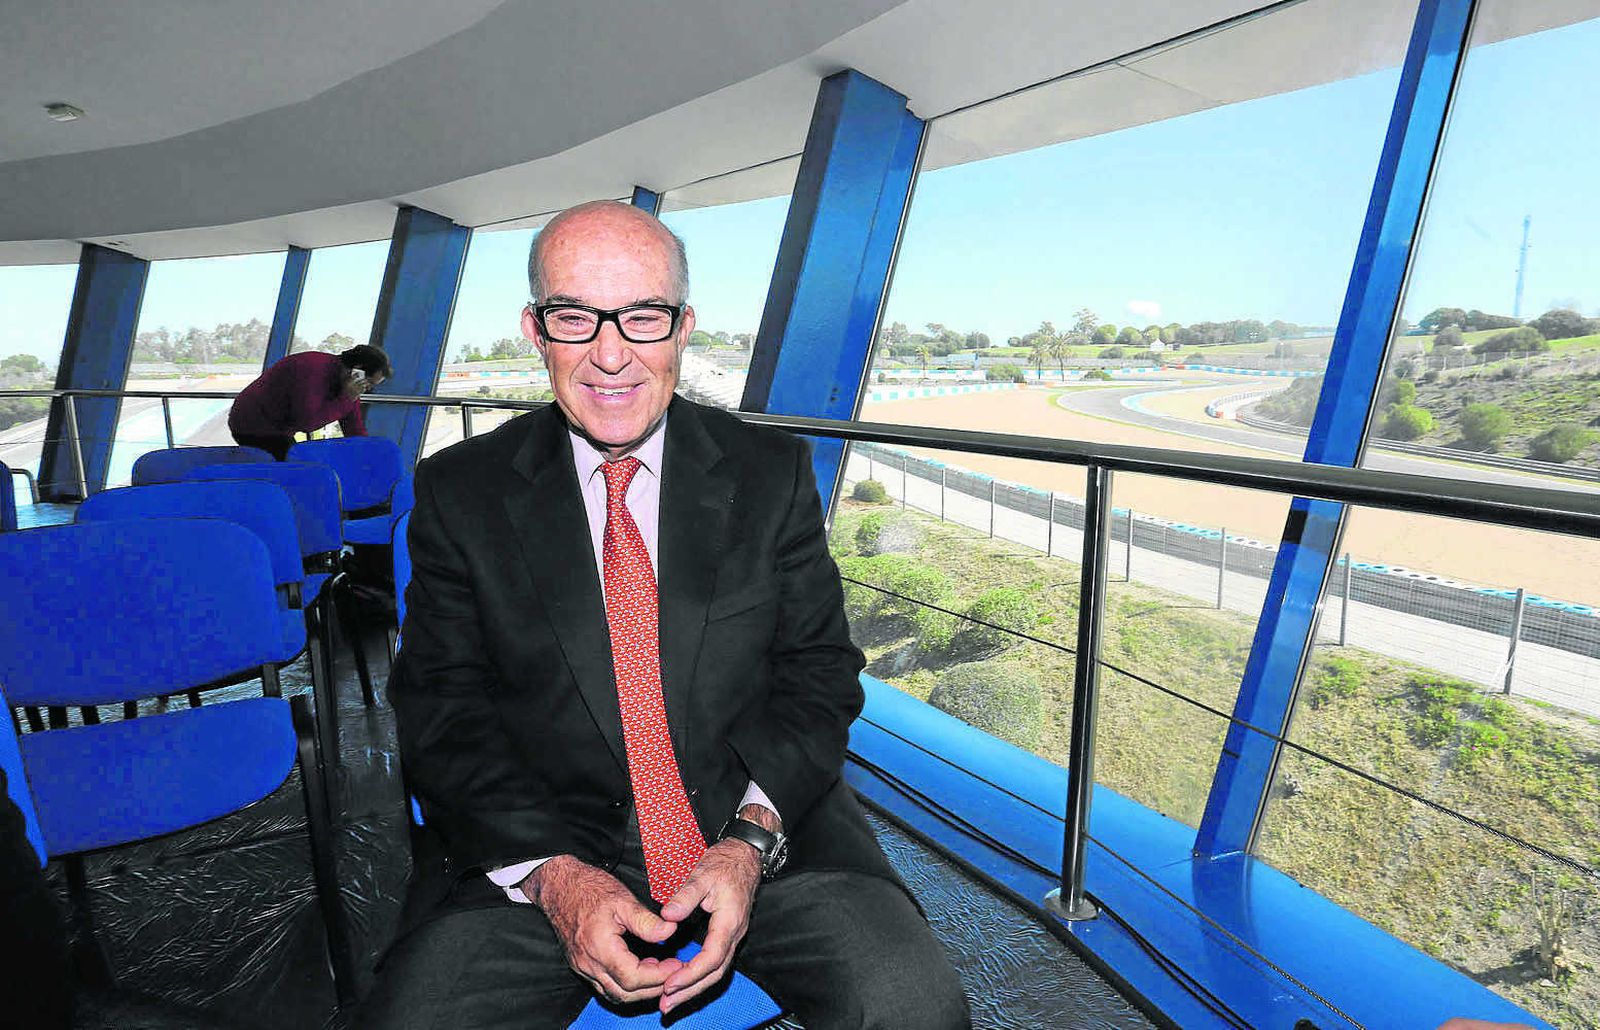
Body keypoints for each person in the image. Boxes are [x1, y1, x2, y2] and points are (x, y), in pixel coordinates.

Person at [363, 201, 970, 1029]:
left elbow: (819, 676)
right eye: (574, 317)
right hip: (543, 843)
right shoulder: (460, 493)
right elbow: (442, 713)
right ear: (535, 331)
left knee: (912, 1010)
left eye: (642, 317)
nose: (610, 355)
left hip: (762, 833)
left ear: (683, 328)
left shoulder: (770, 473)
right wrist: (558, 878)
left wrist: (749, 843)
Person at [227, 345, 390, 460]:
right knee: (296, 472)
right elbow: (306, 423)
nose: (367, 389)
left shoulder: (347, 384)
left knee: (302, 464)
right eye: (369, 383)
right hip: (252, 424)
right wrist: (347, 398)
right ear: (357, 371)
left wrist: (367, 454)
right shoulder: (313, 370)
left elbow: (354, 427)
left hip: (279, 428)